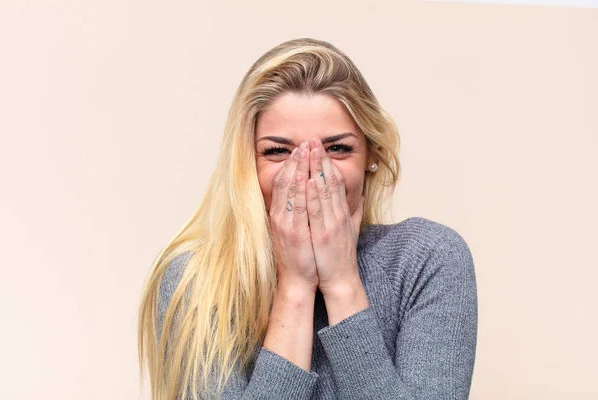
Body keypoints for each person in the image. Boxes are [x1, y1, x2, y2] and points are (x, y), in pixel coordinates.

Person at [138, 38, 478, 400]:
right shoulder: (195, 281)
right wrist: (296, 289)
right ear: (246, 164)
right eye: (279, 151)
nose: (309, 174)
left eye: (337, 148)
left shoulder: (428, 260)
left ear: (371, 156)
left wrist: (342, 283)